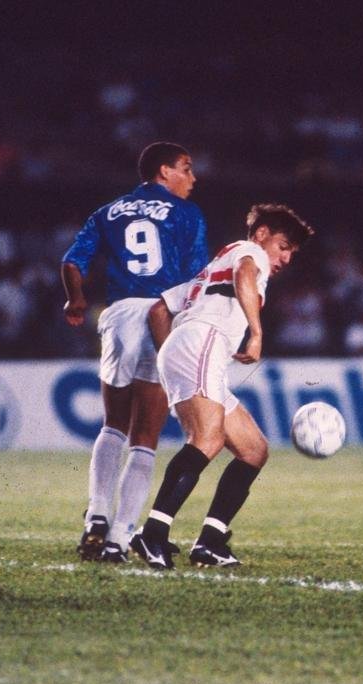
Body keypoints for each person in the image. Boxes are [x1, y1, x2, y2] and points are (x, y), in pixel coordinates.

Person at [131, 204, 314, 569]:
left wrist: (172, 351)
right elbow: (246, 275)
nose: (286, 257)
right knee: (208, 440)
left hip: (193, 349)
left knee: (253, 450)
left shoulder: (211, 272)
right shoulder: (249, 253)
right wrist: (257, 332)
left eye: (292, 251)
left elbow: (158, 311)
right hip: (202, 345)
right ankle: (152, 533)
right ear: (261, 233)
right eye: (284, 246)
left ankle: (210, 542)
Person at [61, 142, 209, 563]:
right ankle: (120, 538)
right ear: (164, 171)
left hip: (119, 314)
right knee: (145, 436)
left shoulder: (107, 211)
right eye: (186, 168)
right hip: (161, 314)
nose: (192, 178)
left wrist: (75, 300)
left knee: (113, 424)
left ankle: (96, 516)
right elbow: (195, 278)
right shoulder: (187, 214)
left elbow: (73, 262)